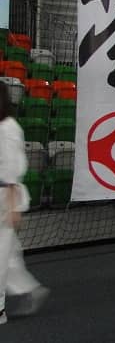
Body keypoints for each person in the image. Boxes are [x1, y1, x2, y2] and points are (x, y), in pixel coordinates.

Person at [0, 81, 49, 325]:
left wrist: (12, 207)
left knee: (2, 255)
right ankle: (30, 289)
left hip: (4, 197)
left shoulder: (8, 128)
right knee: (8, 254)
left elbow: (11, 169)